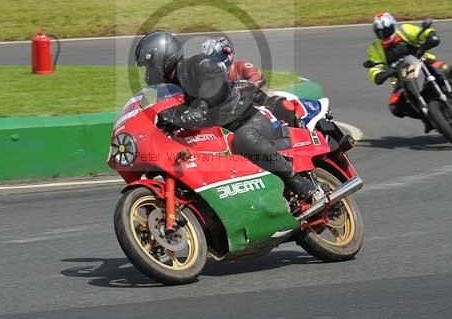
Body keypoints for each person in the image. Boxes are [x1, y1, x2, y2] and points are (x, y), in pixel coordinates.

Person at [135, 30, 317, 200]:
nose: (148, 73)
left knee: (244, 139)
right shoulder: (169, 89)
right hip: (218, 133)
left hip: (246, 121)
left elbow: (210, 95)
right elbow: (170, 113)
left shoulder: (199, 65)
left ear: (162, 59)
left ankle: (293, 179)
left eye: (149, 66)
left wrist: (197, 108)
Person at [366, 13, 452, 127]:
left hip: (421, 61)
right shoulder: (375, 47)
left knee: (445, 69)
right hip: (400, 77)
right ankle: (427, 117)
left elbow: (421, 33)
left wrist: (430, 35)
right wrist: (378, 74)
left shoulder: (405, 30)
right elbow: (375, 66)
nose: (384, 34)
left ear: (393, 26)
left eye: (386, 30)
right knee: (395, 107)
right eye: (380, 32)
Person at [201, 36, 300, 127]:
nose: (213, 62)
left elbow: (258, 77)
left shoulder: (241, 66)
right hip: (232, 109)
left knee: (280, 103)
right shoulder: (208, 76)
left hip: (256, 100)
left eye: (216, 57)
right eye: (209, 59)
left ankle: (298, 126)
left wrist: (243, 85)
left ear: (228, 54)